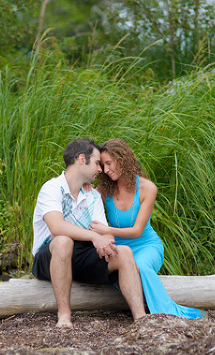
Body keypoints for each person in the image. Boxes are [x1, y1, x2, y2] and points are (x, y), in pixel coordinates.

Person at [31, 139, 148, 327]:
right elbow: (56, 227)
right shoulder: (52, 188)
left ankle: (141, 318)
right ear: (81, 159)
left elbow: (104, 231)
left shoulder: (92, 195)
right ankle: (64, 316)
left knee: (123, 252)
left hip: (80, 257)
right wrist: (94, 236)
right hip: (50, 255)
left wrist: (106, 243)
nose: (100, 169)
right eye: (96, 163)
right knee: (63, 241)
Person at [90, 138, 205, 319]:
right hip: (119, 247)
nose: (106, 170)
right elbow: (84, 204)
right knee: (117, 268)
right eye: (103, 165)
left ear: (121, 159)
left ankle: (163, 314)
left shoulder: (147, 188)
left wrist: (107, 230)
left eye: (109, 163)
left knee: (140, 266)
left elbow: (137, 231)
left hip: (146, 245)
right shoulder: (104, 189)